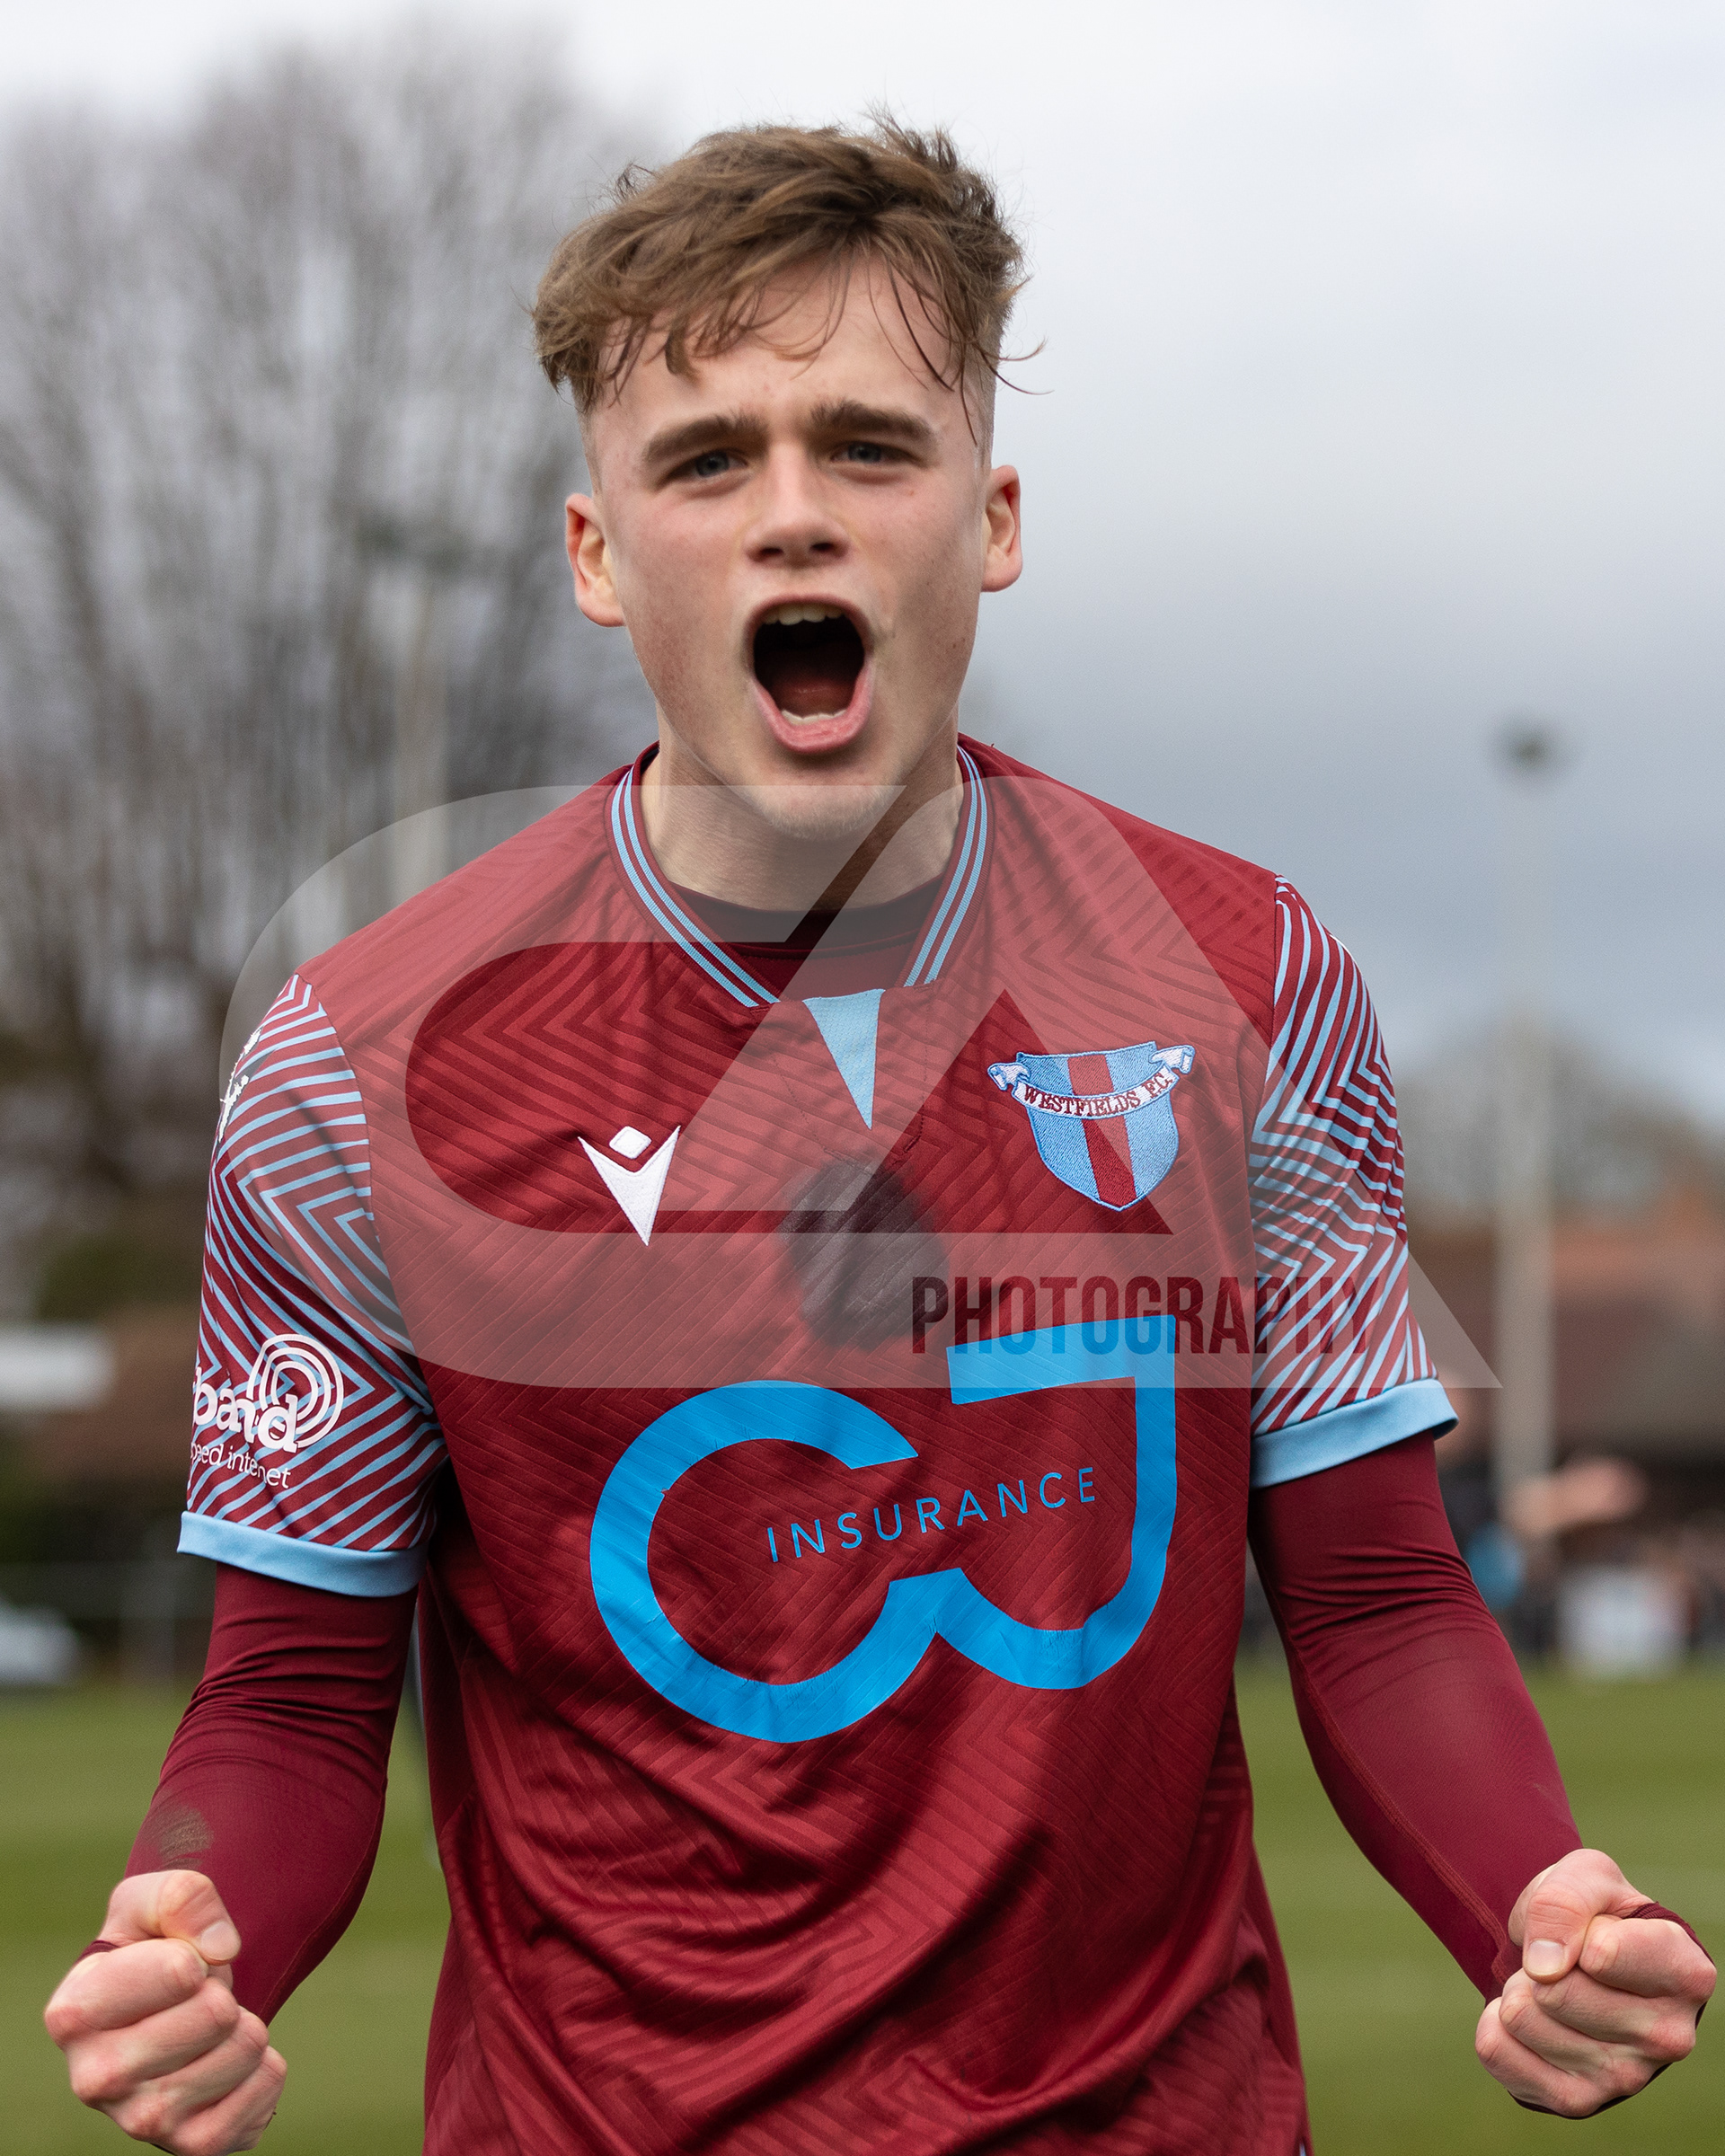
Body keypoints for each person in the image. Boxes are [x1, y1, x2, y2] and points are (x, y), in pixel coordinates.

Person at [45, 119, 1712, 2156]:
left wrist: (1536, 1893)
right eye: (705, 460)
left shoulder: (1246, 978)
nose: (793, 518)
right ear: (597, 555)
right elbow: (294, 1696)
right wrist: (200, 1926)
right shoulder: (353, 1070)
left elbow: (1373, 1597)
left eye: (867, 446)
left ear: (989, 519)